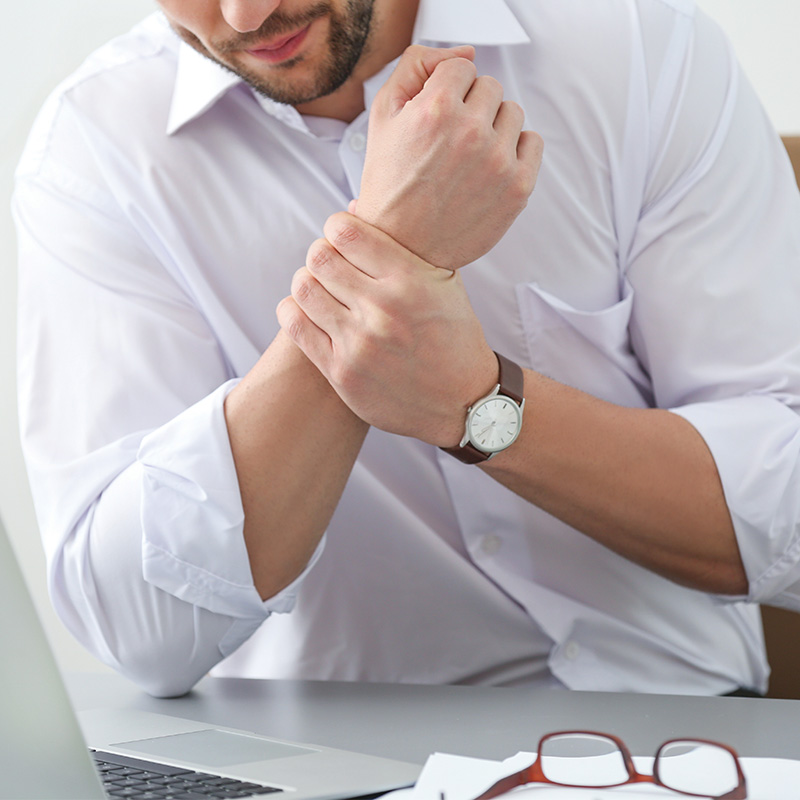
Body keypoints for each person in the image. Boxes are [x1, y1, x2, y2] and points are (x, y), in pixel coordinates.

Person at [13, 0, 800, 699]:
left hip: (672, 747)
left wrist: (477, 403)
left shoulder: (641, 48)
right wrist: (391, 242)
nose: (248, 15)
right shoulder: (97, 151)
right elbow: (139, 630)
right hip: (329, 765)